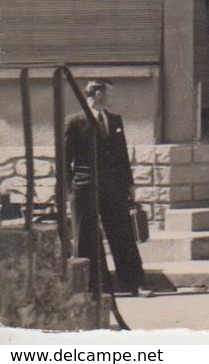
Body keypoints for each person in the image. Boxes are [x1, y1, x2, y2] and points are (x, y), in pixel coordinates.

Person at [64, 80, 143, 294]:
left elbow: (122, 155)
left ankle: (132, 283)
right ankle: (93, 287)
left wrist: (129, 183)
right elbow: (64, 158)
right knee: (87, 236)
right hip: (85, 187)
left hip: (114, 187)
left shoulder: (114, 120)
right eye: (110, 94)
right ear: (98, 95)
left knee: (122, 233)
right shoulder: (74, 122)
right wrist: (72, 186)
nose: (113, 99)